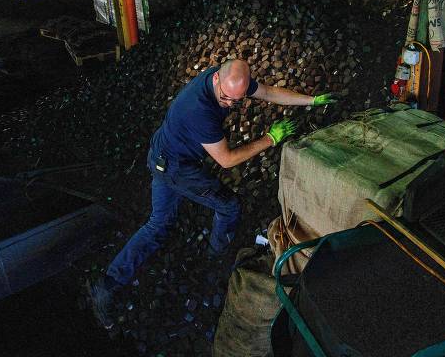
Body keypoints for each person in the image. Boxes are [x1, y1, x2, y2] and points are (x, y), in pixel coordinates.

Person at [88, 59, 336, 324]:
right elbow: (227, 160)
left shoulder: (228, 80)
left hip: (165, 154)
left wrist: (310, 100)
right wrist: (269, 140)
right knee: (229, 207)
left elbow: (267, 92)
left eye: (237, 100)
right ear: (217, 79)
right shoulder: (199, 110)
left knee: (159, 222)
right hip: (175, 167)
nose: (230, 104)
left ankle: (108, 283)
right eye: (226, 98)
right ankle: (218, 257)